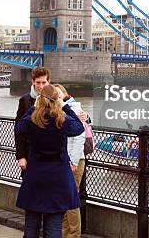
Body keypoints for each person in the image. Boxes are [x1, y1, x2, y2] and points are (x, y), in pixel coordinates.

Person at [15, 84, 85, 238]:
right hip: (58, 177)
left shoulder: (32, 120)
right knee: (53, 226)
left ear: (40, 100)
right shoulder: (62, 120)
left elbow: (19, 127)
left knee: (31, 225)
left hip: (35, 175)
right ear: (57, 101)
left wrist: (34, 108)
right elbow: (79, 127)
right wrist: (65, 107)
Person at [53, 84, 85, 238]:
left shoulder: (75, 110)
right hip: (62, 159)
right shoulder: (57, 110)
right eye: (54, 95)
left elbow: (79, 137)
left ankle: (73, 234)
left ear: (65, 95)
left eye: (59, 95)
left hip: (74, 160)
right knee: (64, 198)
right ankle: (65, 233)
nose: (57, 97)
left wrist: (73, 161)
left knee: (71, 198)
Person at [15, 66, 50, 172]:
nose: (41, 86)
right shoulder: (25, 101)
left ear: (49, 82)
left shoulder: (55, 100)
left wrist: (85, 116)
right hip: (30, 152)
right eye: (38, 82)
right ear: (33, 82)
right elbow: (18, 130)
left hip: (50, 155)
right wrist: (21, 156)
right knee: (30, 187)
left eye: (44, 82)